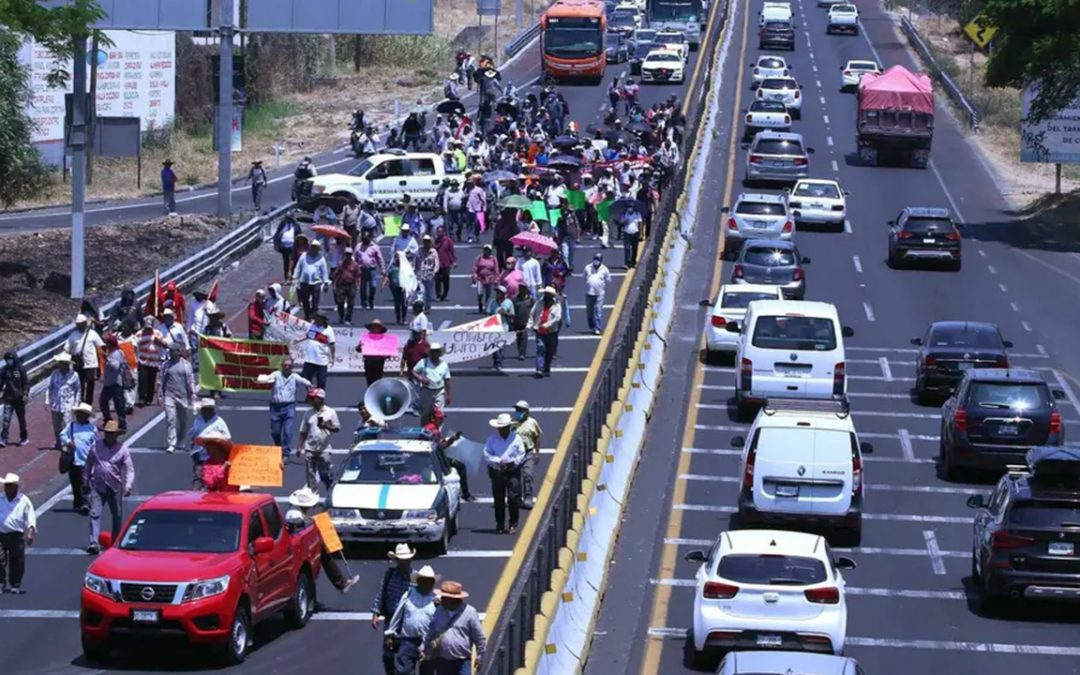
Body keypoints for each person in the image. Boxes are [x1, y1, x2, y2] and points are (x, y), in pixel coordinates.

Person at [284, 487, 359, 592]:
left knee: (323, 555)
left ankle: (341, 582)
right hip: (299, 544)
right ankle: (340, 582)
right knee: (321, 558)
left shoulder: (297, 511)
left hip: (302, 542)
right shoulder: (294, 514)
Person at [85, 420, 134, 554]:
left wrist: (128, 485)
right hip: (98, 484)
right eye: (107, 433)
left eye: (112, 434)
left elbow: (129, 469)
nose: (109, 436)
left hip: (114, 486)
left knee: (116, 515)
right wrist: (85, 480)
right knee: (94, 513)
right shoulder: (96, 446)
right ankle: (94, 542)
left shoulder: (122, 449)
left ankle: (115, 540)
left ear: (116, 435)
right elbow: (88, 464)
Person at [420, 581, 486, 673]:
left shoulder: (470, 612)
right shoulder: (440, 610)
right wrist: (423, 648)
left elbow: (479, 637)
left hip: (462, 662)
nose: (441, 599)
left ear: (453, 599)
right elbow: (431, 630)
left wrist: (480, 656)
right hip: (442, 661)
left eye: (445, 597)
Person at [385, 564, 439, 675]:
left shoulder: (436, 599)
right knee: (404, 671)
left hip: (427, 643)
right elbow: (398, 614)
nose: (426, 584)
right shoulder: (409, 594)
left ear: (432, 583)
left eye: (429, 581)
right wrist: (391, 634)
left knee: (427, 671)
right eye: (423, 581)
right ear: (418, 581)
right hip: (407, 640)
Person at [256, 359, 312, 463]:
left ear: (292, 367)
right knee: (275, 432)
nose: (287, 367)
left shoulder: (294, 377)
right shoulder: (276, 375)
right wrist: (263, 379)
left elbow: (305, 381)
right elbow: (268, 378)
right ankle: (278, 448)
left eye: (289, 366)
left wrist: (310, 386)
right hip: (275, 407)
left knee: (287, 431)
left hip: (289, 406)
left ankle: (286, 453)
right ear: (282, 366)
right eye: (285, 365)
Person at [373, 543, 418, 674]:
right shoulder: (390, 574)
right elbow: (381, 592)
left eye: (406, 560)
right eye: (401, 560)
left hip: (407, 621)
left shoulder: (416, 578)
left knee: (406, 654)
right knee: (388, 654)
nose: (404, 563)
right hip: (391, 620)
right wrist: (375, 613)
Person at [483, 413, 526, 534]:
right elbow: (486, 454)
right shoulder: (492, 439)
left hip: (512, 471)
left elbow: (521, 453)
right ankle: (500, 524)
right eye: (500, 428)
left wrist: (513, 463)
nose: (501, 430)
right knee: (498, 499)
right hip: (497, 471)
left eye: (504, 427)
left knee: (513, 498)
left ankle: (513, 523)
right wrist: (498, 461)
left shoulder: (516, 438)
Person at [423, 409, 472, 501]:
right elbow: (440, 447)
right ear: (433, 418)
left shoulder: (427, 427)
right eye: (439, 418)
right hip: (436, 459)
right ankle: (465, 494)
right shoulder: (434, 430)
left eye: (442, 418)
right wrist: (452, 440)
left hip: (430, 457)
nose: (442, 421)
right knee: (461, 467)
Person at [298, 388, 339, 493]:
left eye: (313, 398)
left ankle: (329, 488)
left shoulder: (330, 412)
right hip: (310, 448)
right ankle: (312, 493)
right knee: (310, 474)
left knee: (324, 474)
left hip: (324, 448)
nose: (311, 400)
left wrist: (326, 426)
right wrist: (299, 446)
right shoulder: (308, 413)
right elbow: (303, 431)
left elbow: (337, 428)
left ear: (320, 399)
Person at [0, 473, 35, 594]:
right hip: (1, 534)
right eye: (6, 485)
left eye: (9, 485)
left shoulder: (24, 501)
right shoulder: (0, 498)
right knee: (0, 559)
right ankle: (1, 583)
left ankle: (15, 584)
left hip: (16, 535)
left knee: (17, 561)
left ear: (15, 487)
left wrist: (30, 532)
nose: (7, 488)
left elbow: (30, 518)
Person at [60, 402, 95, 515]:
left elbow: (95, 444)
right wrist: (68, 442)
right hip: (73, 459)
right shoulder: (71, 426)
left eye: (82, 414)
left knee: (84, 483)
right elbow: (62, 435)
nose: (80, 416)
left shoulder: (92, 429)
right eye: (79, 414)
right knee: (75, 482)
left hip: (86, 460)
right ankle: (78, 502)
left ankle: (85, 503)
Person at [159, 347, 196, 454]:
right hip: (169, 395)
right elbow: (161, 380)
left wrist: (193, 393)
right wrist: (160, 395)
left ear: (178, 352)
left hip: (183, 396)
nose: (171, 353)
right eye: (170, 351)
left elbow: (190, 380)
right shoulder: (166, 365)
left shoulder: (186, 365)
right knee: (170, 419)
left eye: (173, 351)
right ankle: (171, 443)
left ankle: (180, 439)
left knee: (183, 420)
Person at [190, 398, 231, 489]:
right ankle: (196, 495)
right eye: (204, 409)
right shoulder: (197, 420)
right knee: (198, 477)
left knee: (213, 479)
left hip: (214, 457)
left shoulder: (219, 422)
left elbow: (227, 438)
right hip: (200, 454)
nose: (205, 411)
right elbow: (192, 435)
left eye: (208, 409)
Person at [66, 314, 105, 404]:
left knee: (90, 382)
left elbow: (101, 346)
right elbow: (67, 348)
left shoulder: (92, 334)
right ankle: (80, 400)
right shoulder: (73, 335)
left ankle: (88, 402)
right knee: (79, 383)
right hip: (78, 363)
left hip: (90, 363)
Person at [45, 353, 81, 450]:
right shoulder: (54, 374)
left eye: (64, 363)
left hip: (68, 404)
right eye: (61, 363)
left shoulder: (74, 375)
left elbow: (78, 390)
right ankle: (58, 442)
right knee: (56, 425)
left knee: (66, 424)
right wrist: (47, 401)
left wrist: (76, 404)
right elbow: (49, 388)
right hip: (56, 404)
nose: (62, 365)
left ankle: (66, 443)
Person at [511, 401, 543, 508]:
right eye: (516, 410)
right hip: (515, 454)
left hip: (527, 453)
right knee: (515, 478)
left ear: (526, 412)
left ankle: (528, 498)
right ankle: (517, 498)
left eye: (520, 410)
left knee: (527, 475)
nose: (517, 412)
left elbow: (537, 437)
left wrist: (537, 453)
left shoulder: (532, 423)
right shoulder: (512, 423)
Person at [412, 343, 452, 425]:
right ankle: (424, 433)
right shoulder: (424, 362)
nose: (434, 354)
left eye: (436, 352)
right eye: (433, 352)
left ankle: (437, 434)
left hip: (439, 391)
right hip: (427, 391)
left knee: (439, 414)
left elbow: (447, 380)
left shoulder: (444, 364)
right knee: (425, 414)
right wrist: (421, 379)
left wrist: (448, 395)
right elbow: (414, 371)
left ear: (439, 353)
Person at [98, 335, 130, 431]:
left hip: (116, 383)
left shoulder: (116, 353)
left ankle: (122, 423)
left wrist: (107, 358)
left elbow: (115, 366)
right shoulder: (112, 353)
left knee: (119, 404)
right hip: (108, 383)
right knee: (103, 401)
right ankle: (107, 419)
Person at [299, 312, 336, 390]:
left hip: (321, 360)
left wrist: (332, 358)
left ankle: (320, 397)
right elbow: (307, 335)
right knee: (305, 378)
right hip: (310, 358)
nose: (315, 320)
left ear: (322, 320)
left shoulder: (328, 330)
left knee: (321, 381)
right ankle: (310, 393)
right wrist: (297, 340)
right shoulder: (312, 325)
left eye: (317, 318)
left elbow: (332, 345)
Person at [0, 351, 30, 448]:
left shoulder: (20, 368)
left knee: (21, 419)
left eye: (11, 359)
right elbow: (0, 383)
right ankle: (4, 438)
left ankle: (24, 437)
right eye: (8, 360)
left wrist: (25, 394)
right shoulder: (4, 370)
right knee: (6, 418)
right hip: (8, 398)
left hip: (19, 398)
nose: (9, 361)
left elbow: (26, 382)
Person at [296, 239, 330, 321]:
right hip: (305, 281)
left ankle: (314, 315)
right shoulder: (304, 255)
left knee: (315, 300)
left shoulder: (321, 258)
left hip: (316, 282)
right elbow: (298, 267)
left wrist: (326, 282)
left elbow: (324, 271)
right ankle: (307, 315)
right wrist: (295, 278)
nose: (314, 249)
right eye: (313, 247)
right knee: (305, 299)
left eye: (316, 248)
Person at [531, 287, 562, 378]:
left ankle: (546, 368)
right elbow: (532, 314)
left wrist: (547, 324)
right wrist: (531, 325)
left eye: (548, 295)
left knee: (549, 351)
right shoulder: (538, 304)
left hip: (551, 332)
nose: (546, 297)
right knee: (540, 349)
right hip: (540, 331)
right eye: (545, 295)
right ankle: (539, 369)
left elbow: (557, 318)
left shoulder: (556, 306)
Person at [134, 317, 164, 407]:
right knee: (142, 380)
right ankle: (142, 397)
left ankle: (149, 398)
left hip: (154, 361)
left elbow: (164, 344)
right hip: (142, 360)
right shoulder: (139, 334)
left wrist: (159, 342)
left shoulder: (158, 333)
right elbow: (135, 346)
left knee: (151, 380)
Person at [401, 329, 430, 416]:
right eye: (415, 334)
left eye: (418, 333)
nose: (416, 335)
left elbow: (430, 358)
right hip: (412, 371)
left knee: (423, 390)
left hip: (423, 371)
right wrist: (402, 370)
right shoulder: (409, 345)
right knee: (416, 390)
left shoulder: (425, 344)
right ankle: (416, 407)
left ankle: (422, 406)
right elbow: (404, 358)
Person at [356, 230, 386, 311]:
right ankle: (364, 303)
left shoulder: (375, 247)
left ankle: (371, 300)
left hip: (372, 269)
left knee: (373, 286)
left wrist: (383, 269)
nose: (365, 240)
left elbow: (380, 259)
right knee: (363, 287)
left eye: (366, 239)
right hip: (361, 269)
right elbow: (355, 257)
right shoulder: (359, 246)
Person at [357, 319, 391, 387]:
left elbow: (389, 354)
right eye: (373, 327)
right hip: (368, 363)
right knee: (369, 380)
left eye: (376, 327)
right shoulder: (366, 337)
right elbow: (358, 349)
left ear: (380, 329)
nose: (375, 329)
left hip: (379, 363)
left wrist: (386, 355)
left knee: (378, 380)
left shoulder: (384, 339)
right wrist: (360, 346)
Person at [583, 253, 611, 335]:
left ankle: (597, 327)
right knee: (589, 311)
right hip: (589, 293)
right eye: (595, 259)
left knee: (598, 311)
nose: (596, 261)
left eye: (598, 259)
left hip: (599, 293)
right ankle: (591, 325)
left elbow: (608, 279)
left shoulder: (604, 269)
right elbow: (584, 277)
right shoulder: (587, 268)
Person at [333, 246, 362, 325]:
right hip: (342, 285)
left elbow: (358, 275)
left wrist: (358, 285)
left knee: (351, 303)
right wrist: (335, 285)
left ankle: (348, 318)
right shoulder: (341, 264)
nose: (348, 256)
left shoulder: (355, 265)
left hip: (351, 285)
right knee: (340, 301)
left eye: (349, 254)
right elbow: (336, 274)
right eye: (346, 254)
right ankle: (341, 316)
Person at [488, 285, 514, 370]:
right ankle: (496, 361)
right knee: (494, 345)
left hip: (504, 326)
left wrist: (505, 313)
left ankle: (499, 362)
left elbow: (512, 315)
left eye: (499, 292)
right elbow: (488, 314)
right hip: (493, 326)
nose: (497, 294)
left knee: (501, 345)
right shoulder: (492, 302)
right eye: (497, 292)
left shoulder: (508, 303)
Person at [471, 244, 500, 314]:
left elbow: (496, 270)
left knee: (488, 294)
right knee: (479, 293)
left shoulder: (493, 259)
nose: (487, 251)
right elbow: (475, 267)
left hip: (490, 279)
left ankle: (486, 306)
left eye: (488, 250)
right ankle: (480, 303)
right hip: (480, 278)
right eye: (485, 250)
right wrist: (473, 276)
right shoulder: (479, 258)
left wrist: (496, 279)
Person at [273, 215, 303, 281]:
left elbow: (300, 235)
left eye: (290, 218)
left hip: (293, 245)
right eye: (288, 218)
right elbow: (277, 234)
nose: (289, 220)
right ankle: (286, 278)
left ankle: (292, 277)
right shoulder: (282, 225)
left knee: (293, 262)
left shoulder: (296, 225)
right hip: (284, 246)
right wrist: (276, 245)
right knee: (286, 262)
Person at [433, 226, 456, 302]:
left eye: (440, 231)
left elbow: (452, 251)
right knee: (437, 280)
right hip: (437, 264)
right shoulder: (435, 241)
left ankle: (444, 294)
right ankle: (438, 295)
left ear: (444, 232)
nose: (439, 233)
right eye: (438, 232)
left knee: (446, 280)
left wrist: (453, 261)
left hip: (446, 264)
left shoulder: (448, 241)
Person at [511, 284, 534, 361]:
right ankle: (520, 352)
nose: (521, 290)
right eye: (520, 288)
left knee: (524, 338)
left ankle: (522, 353)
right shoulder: (514, 300)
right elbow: (512, 310)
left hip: (526, 323)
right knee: (518, 338)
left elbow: (534, 309)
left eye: (523, 289)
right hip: (517, 322)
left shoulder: (531, 300)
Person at [418, 235, 440, 311]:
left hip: (430, 275)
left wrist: (434, 272)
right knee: (422, 292)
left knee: (429, 294)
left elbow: (437, 264)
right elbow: (416, 261)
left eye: (428, 241)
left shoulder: (434, 252)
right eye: (425, 241)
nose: (426, 243)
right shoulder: (420, 250)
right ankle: (422, 307)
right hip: (421, 274)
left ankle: (428, 307)